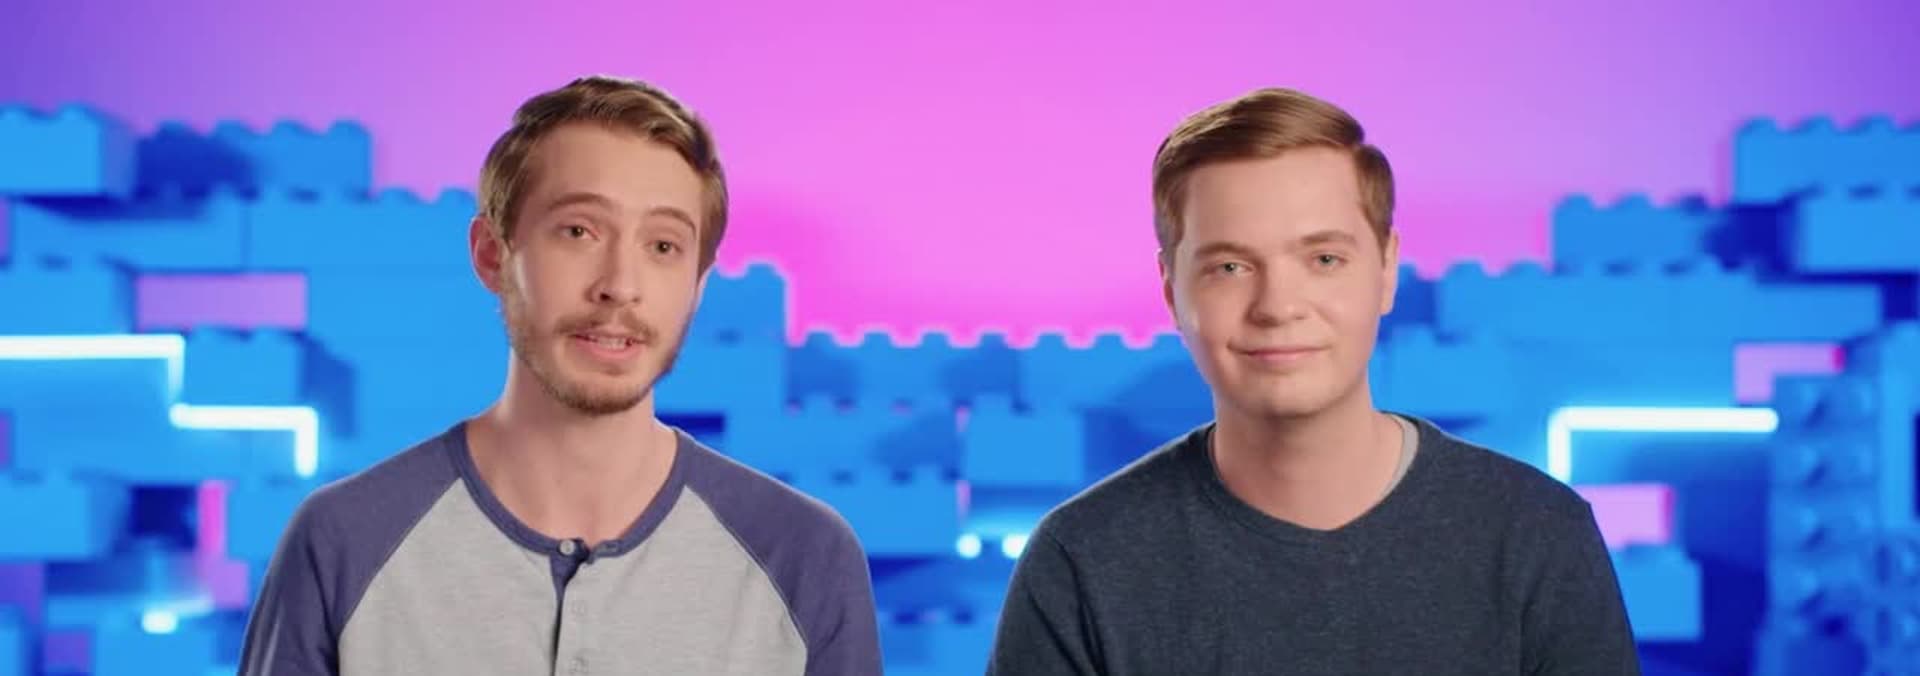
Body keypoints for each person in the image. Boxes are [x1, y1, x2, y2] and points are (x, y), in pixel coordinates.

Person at [238, 75, 883, 676]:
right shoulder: (344, 542)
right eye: (578, 231)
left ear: (697, 284)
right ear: (492, 254)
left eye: (663, 246)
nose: (620, 286)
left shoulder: (803, 557)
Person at [984, 87, 1639, 675]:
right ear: (1170, 290)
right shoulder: (1082, 562)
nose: (1278, 306)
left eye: (1324, 259)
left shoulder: (1536, 536)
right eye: (1230, 267)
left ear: (1386, 270)